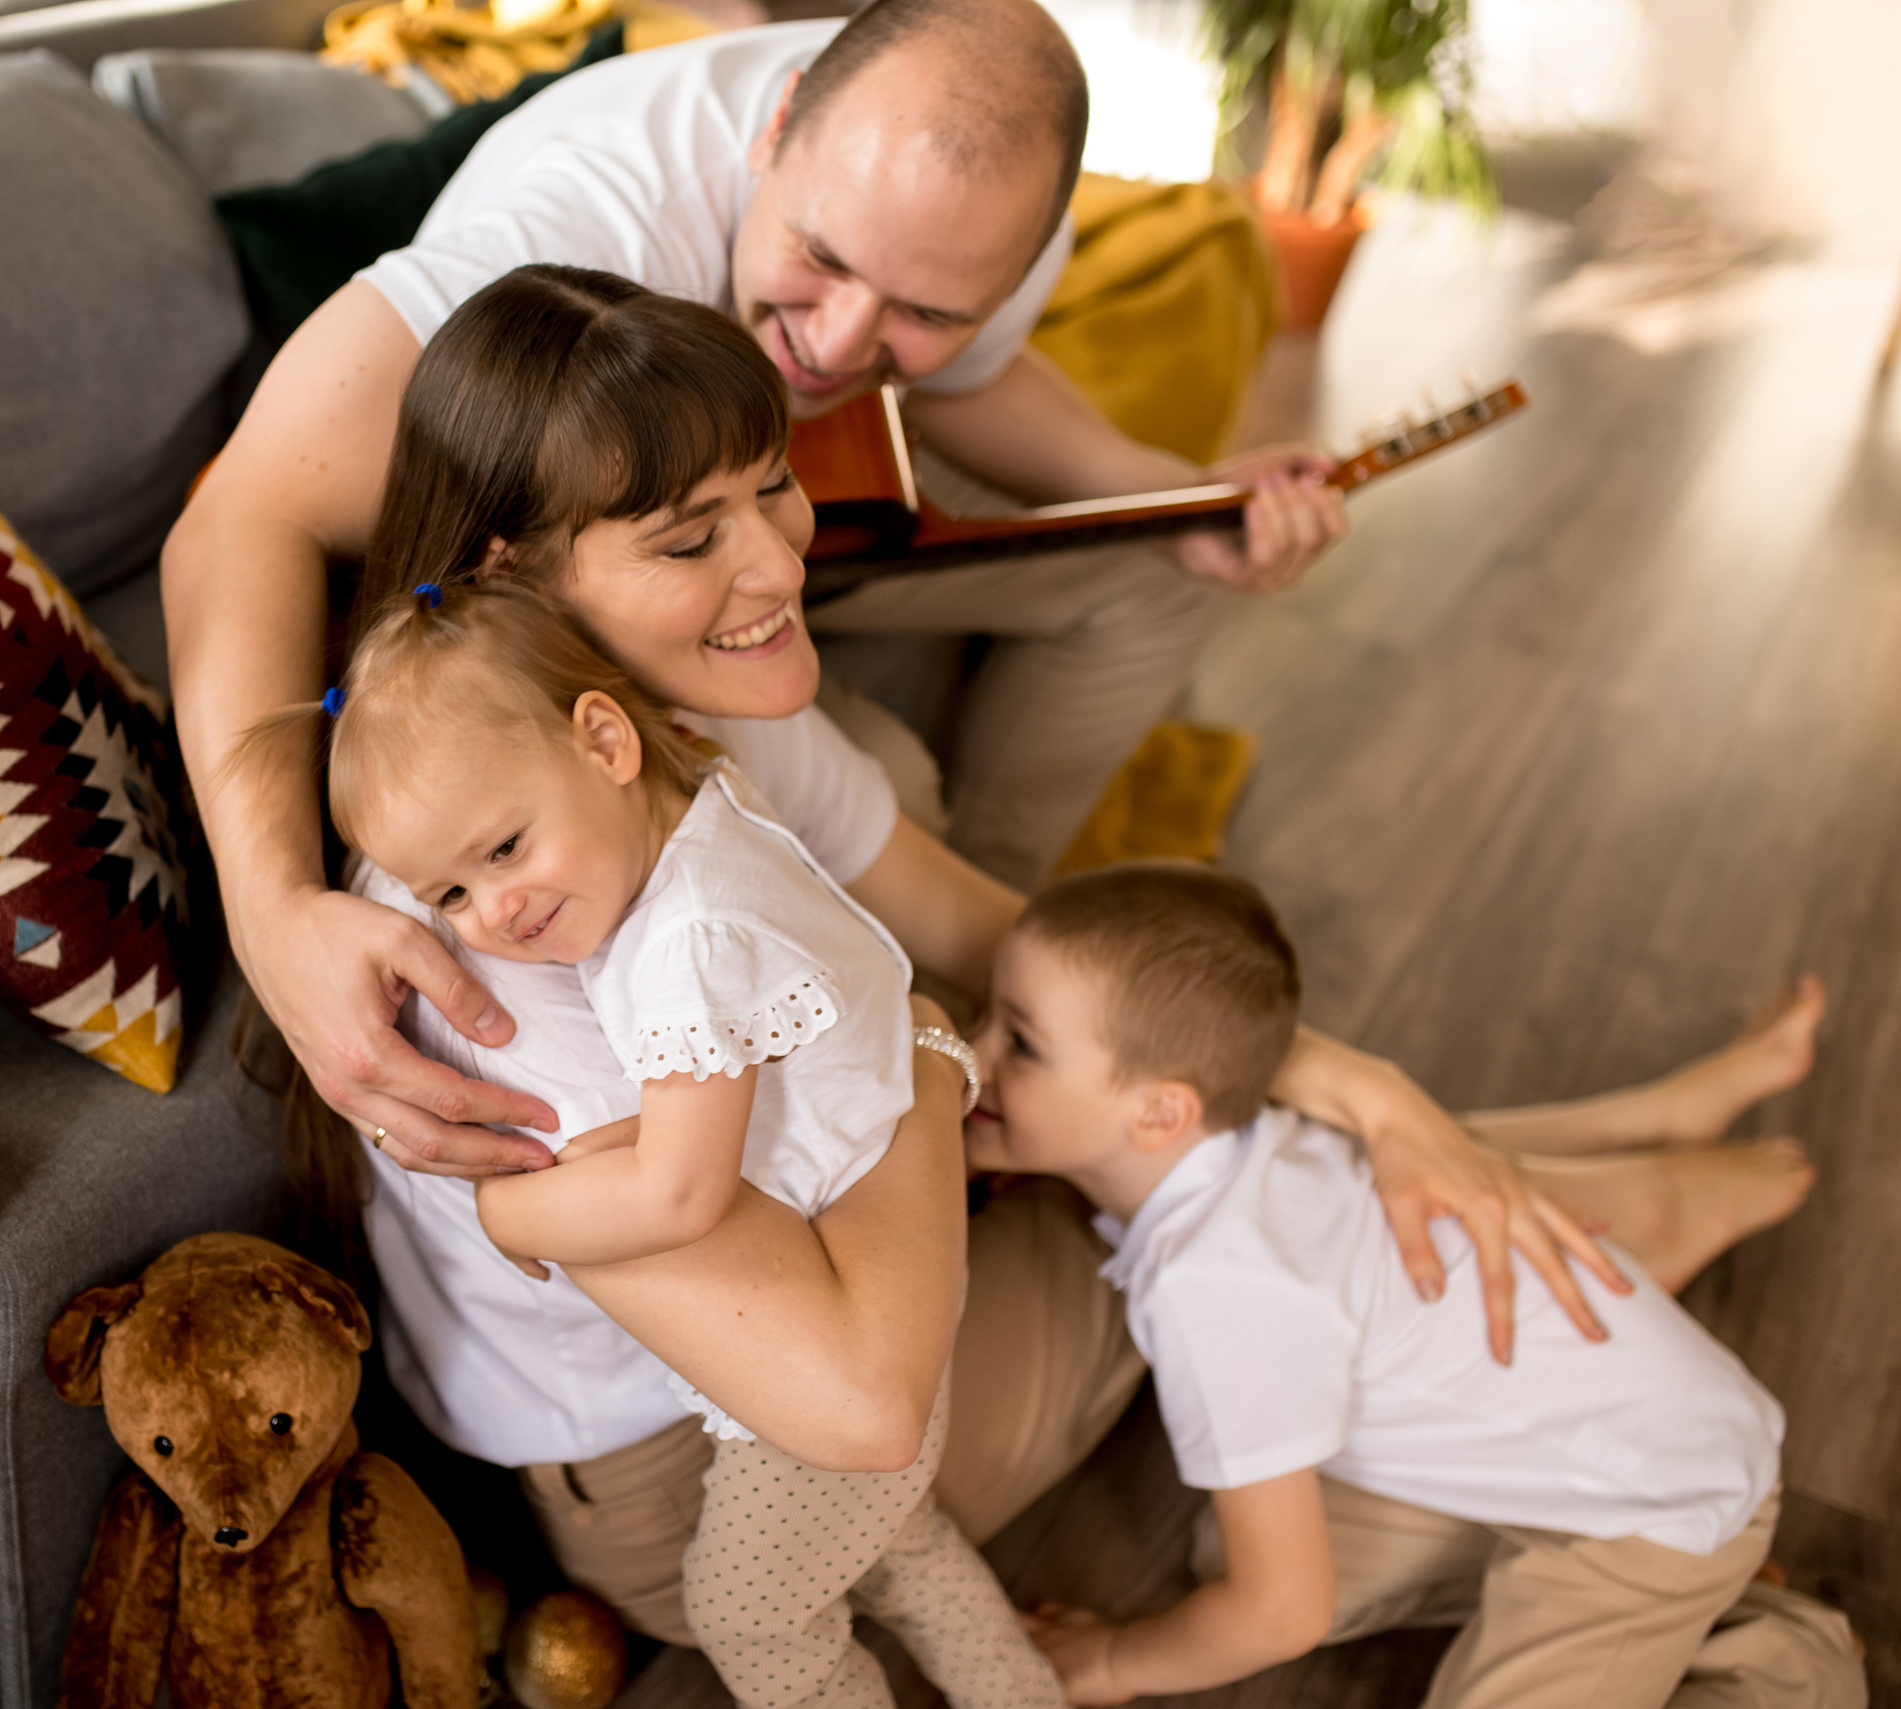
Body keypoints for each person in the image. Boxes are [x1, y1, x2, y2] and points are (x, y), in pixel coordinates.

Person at [225, 264, 1818, 1651]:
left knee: (1156, 1097)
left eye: (767, 489)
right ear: (512, 574)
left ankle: (1553, 1182)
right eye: (687, 538)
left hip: (826, 1264)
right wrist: (928, 1061)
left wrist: (1373, 1088)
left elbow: (970, 911)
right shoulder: (508, 936)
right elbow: (860, 1403)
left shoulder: (649, 741)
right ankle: (1594, 1216)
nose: (780, 565)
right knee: (1194, 1201)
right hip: (711, 1472)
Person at [163, 0, 1360, 1200]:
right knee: (881, 794)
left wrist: (1171, 495)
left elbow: (956, 389)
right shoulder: (568, 238)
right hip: (589, 602)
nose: (840, 347)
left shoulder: (986, 210)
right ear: (775, 123)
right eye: (824, 259)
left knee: (1132, 590)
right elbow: (236, 519)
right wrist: (275, 918)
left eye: (926, 312)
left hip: (725, 554)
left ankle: (1012, 998)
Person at [308, 578, 1058, 1707]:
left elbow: (679, 1195)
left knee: (748, 1611)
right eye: (450, 890)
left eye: (505, 846)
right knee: (900, 1539)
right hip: (866, 1221)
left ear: (602, 737)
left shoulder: (683, 950)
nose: (493, 914)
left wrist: (507, 1210)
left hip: (843, 1292)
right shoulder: (704, 794)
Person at [971, 862, 1863, 1709]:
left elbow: (1284, 1614)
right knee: (1231, 1560)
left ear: (1159, 1111)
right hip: (1612, 1433)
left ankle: (1783, 1659)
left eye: (1021, 1042)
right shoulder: (1251, 1140)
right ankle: (1690, 1600)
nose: (969, 1052)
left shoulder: (1218, 1291)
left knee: (1259, 1593)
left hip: (1651, 1505)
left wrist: (1117, 1658)